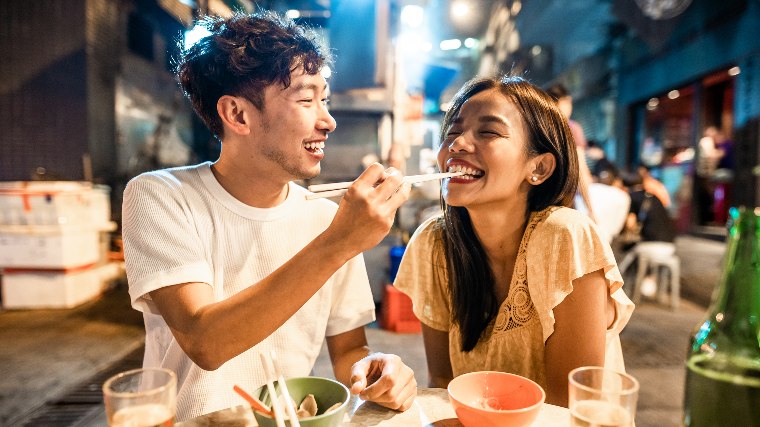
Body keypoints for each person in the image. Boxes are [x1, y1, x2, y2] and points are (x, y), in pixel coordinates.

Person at [121, 12, 416, 421]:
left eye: (324, 99)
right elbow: (205, 342)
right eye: (305, 100)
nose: (327, 121)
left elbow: (349, 348)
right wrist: (341, 242)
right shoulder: (162, 196)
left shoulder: (326, 217)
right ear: (237, 114)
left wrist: (378, 369)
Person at [393, 75, 634, 407]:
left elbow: (566, 408)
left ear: (538, 168)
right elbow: (443, 384)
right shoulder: (434, 242)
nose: (458, 144)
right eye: (452, 132)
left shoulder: (565, 237)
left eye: (488, 132)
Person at [547, 83, 596, 223]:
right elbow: (580, 170)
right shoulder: (571, 128)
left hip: (536, 202)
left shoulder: (538, 126)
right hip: (562, 203)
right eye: (569, 102)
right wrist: (591, 210)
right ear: (562, 101)